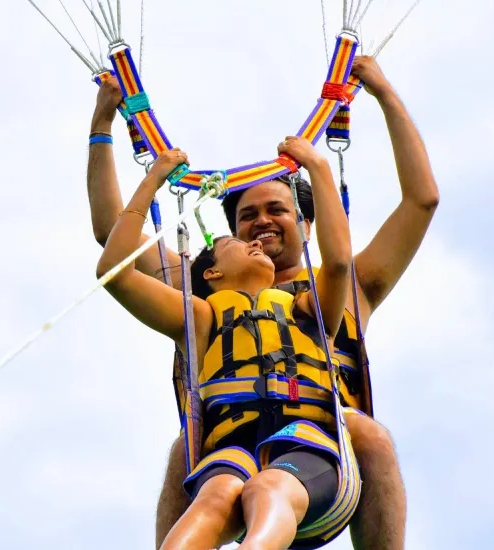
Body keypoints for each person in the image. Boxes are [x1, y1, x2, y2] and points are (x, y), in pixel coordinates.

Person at [86, 55, 439, 549]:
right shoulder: (206, 292)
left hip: (322, 437)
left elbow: (420, 200)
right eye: (247, 216)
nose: (261, 222)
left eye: (278, 209)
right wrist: (102, 124)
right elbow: (113, 240)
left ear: (309, 226)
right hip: (229, 444)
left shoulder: (344, 287)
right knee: (182, 449)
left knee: (372, 436)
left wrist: (383, 93)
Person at [97, 138, 358, 549]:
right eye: (237, 243)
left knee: (268, 489)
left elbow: (340, 261)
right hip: (233, 449)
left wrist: (318, 169)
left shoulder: (309, 308)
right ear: (213, 275)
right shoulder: (200, 317)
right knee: (214, 496)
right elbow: (114, 270)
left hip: (305, 445)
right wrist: (153, 180)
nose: (256, 241)